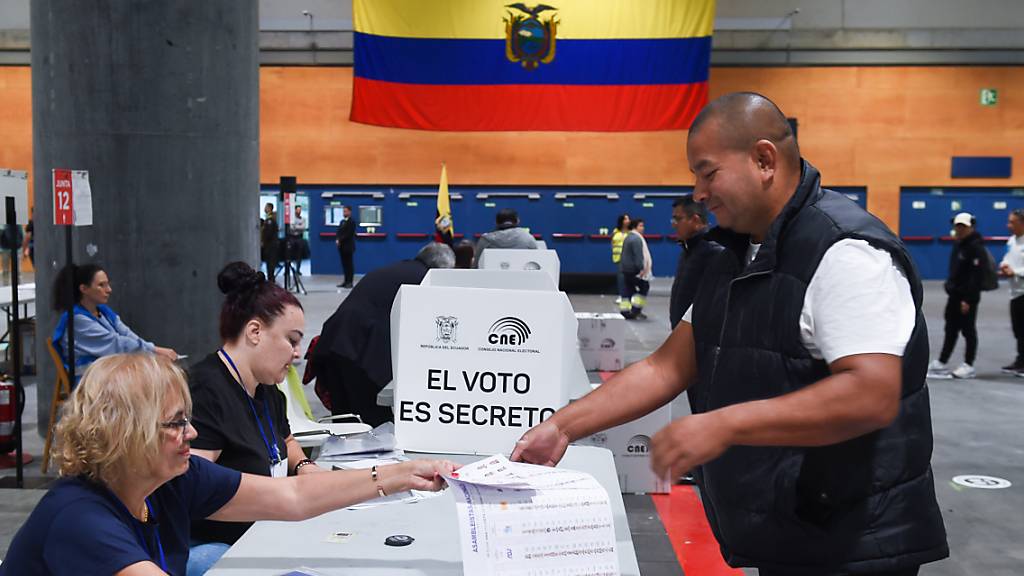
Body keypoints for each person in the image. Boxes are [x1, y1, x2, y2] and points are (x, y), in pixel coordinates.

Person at [512, 92, 947, 575]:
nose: (698, 192)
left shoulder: (845, 254)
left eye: (708, 172)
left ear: (764, 159)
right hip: (793, 528)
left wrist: (723, 424)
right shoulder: (736, 258)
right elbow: (667, 366)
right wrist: (562, 427)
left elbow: (870, 394)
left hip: (853, 542)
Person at [0, 354, 454, 575]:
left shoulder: (168, 478)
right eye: (176, 424)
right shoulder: (79, 520)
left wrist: (396, 475)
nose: (192, 434)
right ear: (128, 434)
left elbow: (291, 496)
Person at [185, 261, 315, 562]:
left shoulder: (265, 384)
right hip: (214, 546)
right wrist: (286, 497)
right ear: (255, 331)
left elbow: (286, 440)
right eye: (292, 340)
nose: (297, 353)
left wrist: (305, 466)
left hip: (265, 532)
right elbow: (193, 489)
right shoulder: (204, 391)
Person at [308, 243, 456, 426]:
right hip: (362, 354)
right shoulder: (425, 280)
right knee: (373, 428)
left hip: (334, 343)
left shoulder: (397, 268)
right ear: (443, 268)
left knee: (345, 424)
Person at [51, 263, 178, 380]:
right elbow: (117, 343)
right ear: (84, 289)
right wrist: (154, 352)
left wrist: (154, 350)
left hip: (110, 373)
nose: (109, 290)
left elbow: (127, 334)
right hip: (92, 381)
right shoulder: (77, 320)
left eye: (108, 284)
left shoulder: (104, 312)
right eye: (101, 285)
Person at [928, 212, 986, 379]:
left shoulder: (976, 247)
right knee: (950, 329)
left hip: (967, 298)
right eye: (957, 226)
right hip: (954, 295)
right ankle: (942, 361)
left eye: (963, 226)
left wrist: (968, 299)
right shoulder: (958, 245)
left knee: (968, 330)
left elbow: (976, 277)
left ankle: (969, 364)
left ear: (971, 227)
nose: (959, 229)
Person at [669, 196, 723, 329]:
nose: (673, 224)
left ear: (695, 220)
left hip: (699, 338)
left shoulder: (713, 253)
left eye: (678, 219)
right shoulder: (688, 250)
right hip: (682, 335)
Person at [999, 208, 1024, 374]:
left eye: (1012, 222)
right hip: (1014, 292)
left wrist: (1015, 272)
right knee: (1018, 329)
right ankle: (1020, 359)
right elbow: (1007, 258)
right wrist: (1004, 266)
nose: (1008, 225)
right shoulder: (1012, 241)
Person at [473, 208, 537, 265]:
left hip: (493, 276)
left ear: (496, 222)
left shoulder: (486, 239)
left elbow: (477, 263)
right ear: (517, 221)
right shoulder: (526, 236)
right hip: (521, 276)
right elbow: (537, 258)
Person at [617, 219, 651, 319]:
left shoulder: (628, 237)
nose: (643, 228)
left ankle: (625, 311)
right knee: (644, 286)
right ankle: (636, 310)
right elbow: (638, 256)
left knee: (628, 289)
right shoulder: (637, 239)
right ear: (635, 227)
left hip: (626, 270)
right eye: (641, 226)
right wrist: (641, 269)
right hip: (634, 270)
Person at [611, 213, 631, 301]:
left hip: (628, 258)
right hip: (618, 258)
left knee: (628, 278)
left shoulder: (630, 232)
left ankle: (627, 296)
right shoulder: (616, 231)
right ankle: (621, 295)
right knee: (621, 278)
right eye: (626, 219)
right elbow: (612, 243)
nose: (628, 221)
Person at [336, 205, 356, 288]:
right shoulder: (342, 222)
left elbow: (348, 234)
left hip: (348, 246)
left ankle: (350, 282)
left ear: (349, 212)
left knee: (349, 264)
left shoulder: (352, 222)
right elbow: (339, 231)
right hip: (342, 247)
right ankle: (345, 280)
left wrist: (340, 239)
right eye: (343, 211)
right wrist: (337, 239)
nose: (344, 213)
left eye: (346, 211)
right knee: (344, 264)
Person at [259, 202, 279, 283]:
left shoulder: (270, 220)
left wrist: (263, 241)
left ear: (270, 208)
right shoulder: (269, 219)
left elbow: (268, 233)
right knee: (269, 263)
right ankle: (271, 279)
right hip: (271, 245)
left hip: (270, 245)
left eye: (266, 207)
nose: (265, 208)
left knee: (270, 263)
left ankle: (271, 280)